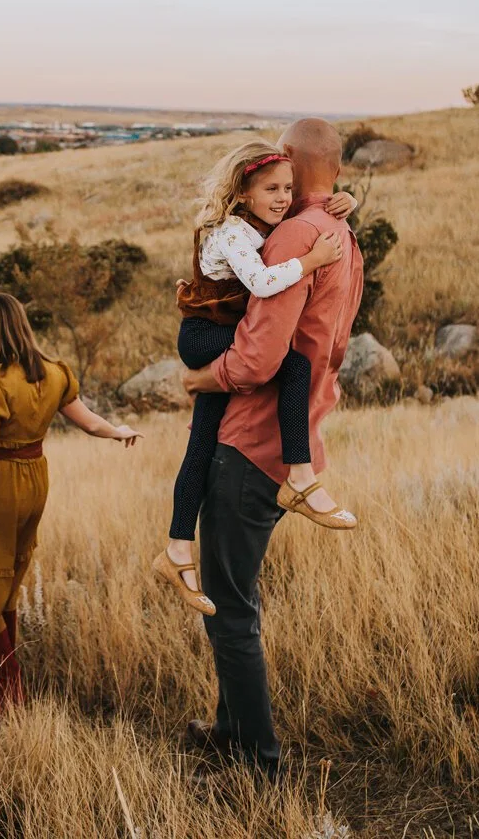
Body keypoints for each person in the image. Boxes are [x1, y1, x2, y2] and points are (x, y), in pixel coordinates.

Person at [180, 118, 365, 779]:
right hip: (296, 439)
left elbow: (258, 358)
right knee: (233, 595)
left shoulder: (292, 237)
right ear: (336, 168)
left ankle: (257, 763)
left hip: (250, 444)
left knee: (230, 607)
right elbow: (335, 347)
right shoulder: (342, 232)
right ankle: (231, 728)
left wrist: (205, 377)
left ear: (285, 160)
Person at [155, 140, 358, 616]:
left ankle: (177, 552)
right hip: (204, 336)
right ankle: (301, 476)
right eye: (271, 188)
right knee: (292, 367)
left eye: (289, 187)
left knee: (200, 447)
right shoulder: (230, 232)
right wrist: (309, 262)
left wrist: (349, 203)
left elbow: (305, 216)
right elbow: (265, 282)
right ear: (243, 193)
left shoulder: (264, 222)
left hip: (222, 330)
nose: (284, 197)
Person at [0, 293, 141, 719]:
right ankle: (7, 691)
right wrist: (117, 431)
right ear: (21, 324)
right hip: (35, 480)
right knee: (5, 582)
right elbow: (90, 421)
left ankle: (11, 691)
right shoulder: (53, 372)